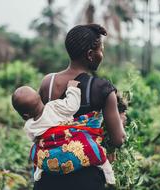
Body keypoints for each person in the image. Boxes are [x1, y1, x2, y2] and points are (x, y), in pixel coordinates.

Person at [35, 24, 126, 190]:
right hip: (86, 180)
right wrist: (120, 119)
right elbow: (118, 140)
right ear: (90, 54)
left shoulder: (48, 83)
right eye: (101, 49)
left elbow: (39, 123)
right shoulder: (102, 88)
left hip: (48, 175)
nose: (102, 54)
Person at [11, 80, 116, 184]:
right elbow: (72, 106)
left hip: (50, 152)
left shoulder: (29, 125)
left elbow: (35, 140)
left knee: (35, 151)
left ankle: (40, 168)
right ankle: (107, 170)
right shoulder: (53, 106)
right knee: (90, 146)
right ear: (39, 97)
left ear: (25, 116)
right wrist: (72, 88)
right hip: (69, 142)